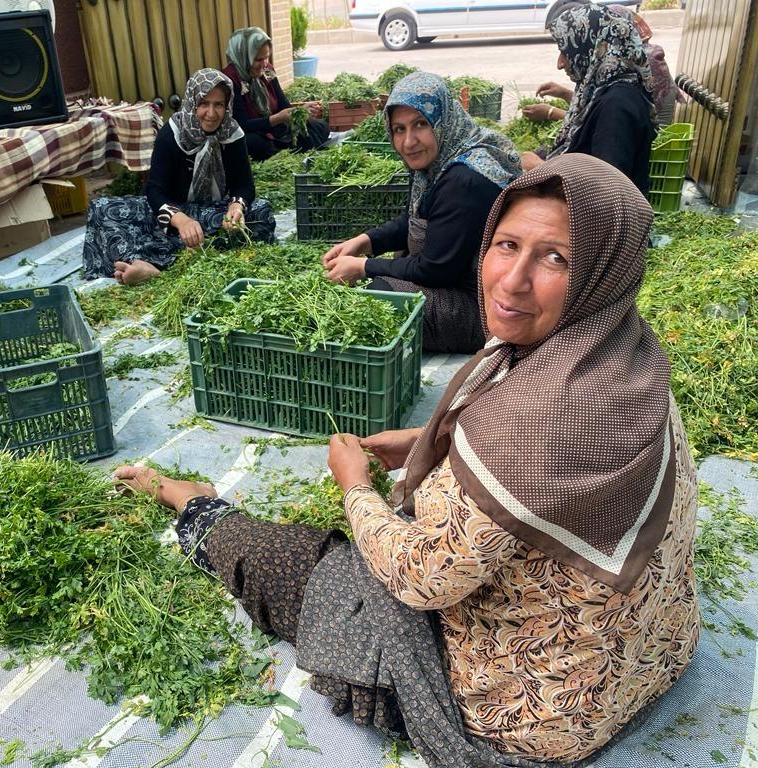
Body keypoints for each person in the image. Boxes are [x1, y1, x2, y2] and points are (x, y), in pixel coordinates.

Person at [115, 153, 699, 765]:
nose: (513, 280)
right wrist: (430, 440)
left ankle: (188, 501)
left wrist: (356, 488)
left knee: (306, 566)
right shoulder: (628, 361)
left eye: (556, 258)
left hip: (536, 709)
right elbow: (555, 471)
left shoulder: (539, 421)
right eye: (506, 245)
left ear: (603, 271)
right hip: (648, 657)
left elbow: (422, 578)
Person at [321, 72, 521, 354]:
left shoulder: (464, 180)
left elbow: (434, 268)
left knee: (377, 298)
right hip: (458, 279)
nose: (409, 141)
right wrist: (364, 241)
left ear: (443, 120)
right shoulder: (442, 159)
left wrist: (362, 267)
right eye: (399, 129)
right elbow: (418, 219)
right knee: (396, 264)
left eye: (420, 125)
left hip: (482, 309)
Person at [82, 68, 276, 286]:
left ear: (227, 105)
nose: (211, 113)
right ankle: (143, 264)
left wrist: (237, 206)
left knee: (261, 210)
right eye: (204, 103)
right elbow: (154, 190)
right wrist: (181, 219)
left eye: (218, 104)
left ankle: (154, 265)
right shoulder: (172, 134)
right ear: (192, 102)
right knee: (102, 208)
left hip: (211, 214)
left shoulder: (233, 135)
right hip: (171, 217)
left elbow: (245, 185)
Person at [521, 3, 657, 196]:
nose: (560, 63)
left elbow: (606, 190)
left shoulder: (617, 106)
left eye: (565, 52)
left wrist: (541, 168)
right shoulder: (604, 89)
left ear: (593, 47)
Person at [524, 4, 681, 127]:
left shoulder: (633, 72)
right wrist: (565, 94)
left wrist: (551, 112)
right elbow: (596, 109)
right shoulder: (624, 66)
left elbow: (604, 120)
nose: (560, 64)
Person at [222, 27, 330, 161]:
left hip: (276, 132)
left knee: (320, 127)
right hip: (256, 134)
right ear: (242, 56)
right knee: (254, 143)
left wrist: (300, 111)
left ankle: (285, 152)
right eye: (258, 59)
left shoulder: (267, 71)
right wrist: (277, 119)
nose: (264, 64)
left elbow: (283, 105)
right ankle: (286, 152)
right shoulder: (230, 80)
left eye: (266, 57)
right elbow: (242, 125)